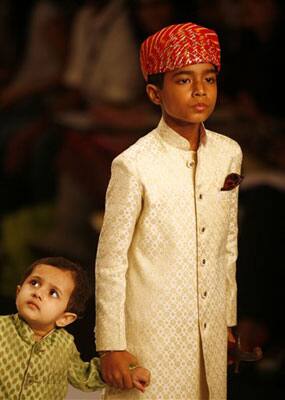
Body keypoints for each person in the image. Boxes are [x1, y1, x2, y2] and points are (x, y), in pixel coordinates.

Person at [95, 22, 243, 399]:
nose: (200, 91)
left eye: (209, 79)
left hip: (207, 332)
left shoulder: (228, 153)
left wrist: (226, 321)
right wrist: (112, 345)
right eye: (183, 81)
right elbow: (111, 261)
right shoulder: (134, 164)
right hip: (151, 331)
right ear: (154, 93)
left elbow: (227, 245)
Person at [0, 256, 150, 399]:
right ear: (18, 292)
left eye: (53, 293)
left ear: (64, 318)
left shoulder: (65, 344)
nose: (38, 293)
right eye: (34, 283)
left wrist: (128, 373)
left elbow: (84, 375)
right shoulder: (2, 327)